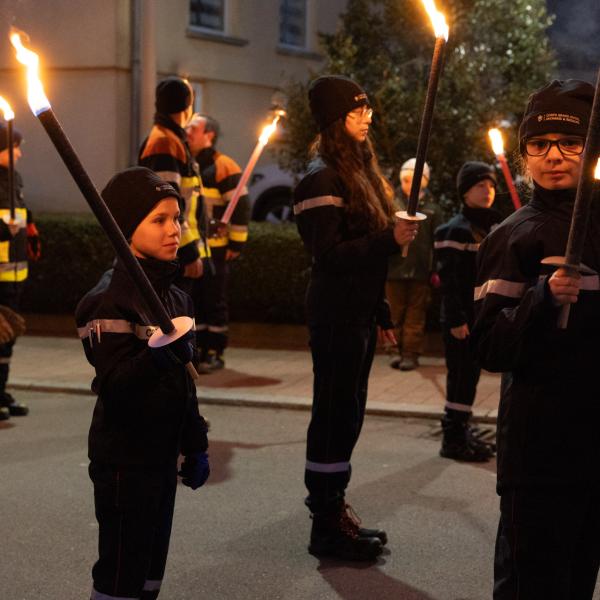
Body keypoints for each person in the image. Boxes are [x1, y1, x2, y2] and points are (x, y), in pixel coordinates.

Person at [471, 80, 600, 599]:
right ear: (524, 154)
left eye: (570, 143)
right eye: (539, 144)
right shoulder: (513, 235)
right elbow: (489, 348)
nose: (553, 156)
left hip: (595, 444)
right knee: (533, 584)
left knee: (578, 579)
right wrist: (541, 300)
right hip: (539, 448)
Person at [294, 75, 418, 561]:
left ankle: (334, 508)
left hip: (359, 311)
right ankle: (324, 524)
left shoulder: (358, 170)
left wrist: (381, 306)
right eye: (356, 110)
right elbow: (329, 255)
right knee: (332, 414)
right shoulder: (321, 177)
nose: (367, 117)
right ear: (333, 120)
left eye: (367, 109)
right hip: (335, 312)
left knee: (349, 414)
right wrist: (391, 240)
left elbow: (364, 256)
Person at [75, 167, 210, 600]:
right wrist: (155, 355)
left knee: (151, 572)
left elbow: (184, 388)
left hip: (160, 457)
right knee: (120, 575)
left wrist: (196, 442)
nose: (174, 230)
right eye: (159, 220)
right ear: (124, 229)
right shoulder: (106, 301)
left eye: (177, 219)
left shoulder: (176, 296)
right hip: (124, 464)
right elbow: (116, 387)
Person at [434, 161, 500, 462]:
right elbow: (450, 283)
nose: (487, 191)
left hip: (481, 319)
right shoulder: (454, 232)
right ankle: (453, 439)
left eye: (491, 185)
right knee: (460, 378)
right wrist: (457, 319)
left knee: (470, 377)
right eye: (479, 186)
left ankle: (462, 431)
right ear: (465, 193)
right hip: (462, 320)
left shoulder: (495, 227)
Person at [186, 113, 250, 371]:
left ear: (208, 134)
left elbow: (241, 207)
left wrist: (236, 244)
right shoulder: (187, 164)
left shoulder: (225, 166)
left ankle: (215, 351)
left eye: (193, 128)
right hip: (196, 247)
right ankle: (199, 349)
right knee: (196, 300)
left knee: (215, 301)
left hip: (217, 248)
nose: (187, 132)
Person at [138, 76, 207, 294]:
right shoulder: (165, 143)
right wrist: (188, 253)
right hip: (171, 255)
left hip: (172, 251)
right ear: (187, 108)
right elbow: (167, 205)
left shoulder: (170, 139)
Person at [386, 158, 443, 371]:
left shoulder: (432, 209)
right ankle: (393, 350)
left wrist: (435, 268)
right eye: (406, 179)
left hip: (420, 270)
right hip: (394, 269)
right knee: (394, 312)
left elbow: (437, 241)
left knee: (415, 315)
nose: (410, 184)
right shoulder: (392, 204)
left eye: (416, 180)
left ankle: (410, 353)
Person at [0, 123, 39, 419]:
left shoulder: (15, 179)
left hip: (14, 273)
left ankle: (2, 391)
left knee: (8, 336)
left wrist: (32, 230)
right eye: (14, 147)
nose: (20, 153)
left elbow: (21, 211)